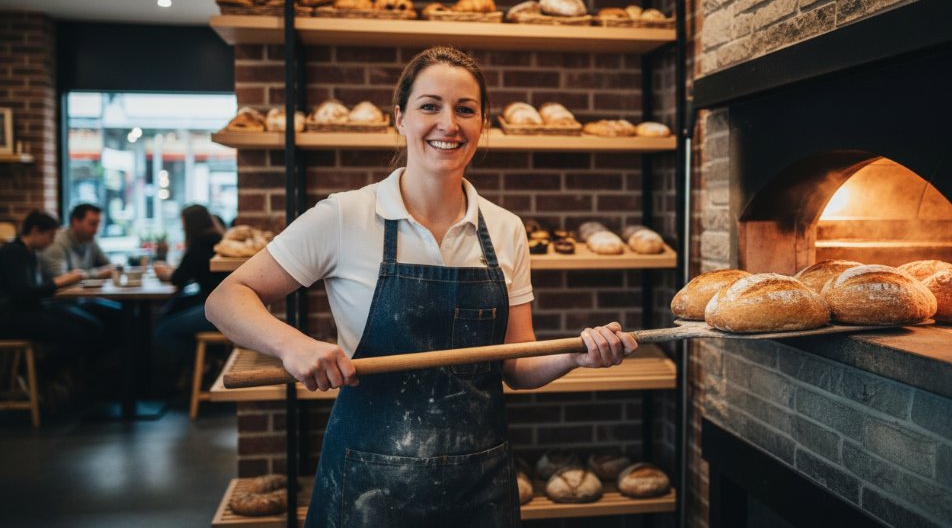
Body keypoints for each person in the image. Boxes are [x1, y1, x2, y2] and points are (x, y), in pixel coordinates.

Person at [206, 46, 638, 526]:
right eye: (430, 106)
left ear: (482, 123)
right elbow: (226, 298)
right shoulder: (346, 216)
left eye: (465, 109)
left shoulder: (505, 229)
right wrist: (292, 345)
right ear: (400, 118)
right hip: (369, 484)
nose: (448, 123)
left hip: (479, 484)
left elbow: (516, 363)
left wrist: (577, 354)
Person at [0, 210, 100, 384]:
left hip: (26, 313)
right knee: (76, 336)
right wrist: (60, 282)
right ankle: (35, 375)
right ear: (35, 231)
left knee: (90, 326)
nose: (53, 241)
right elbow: (23, 293)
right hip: (9, 319)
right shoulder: (13, 253)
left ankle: (48, 377)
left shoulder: (28, 253)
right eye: (50, 235)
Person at [152, 204, 227, 393]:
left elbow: (179, 278)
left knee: (163, 330)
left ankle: (204, 365)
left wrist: (164, 273)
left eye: (183, 223)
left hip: (217, 310)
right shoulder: (217, 239)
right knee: (172, 309)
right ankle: (207, 363)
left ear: (190, 224)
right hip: (222, 305)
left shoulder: (200, 243)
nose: (182, 228)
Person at [39, 203, 121, 344]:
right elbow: (61, 279)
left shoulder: (90, 241)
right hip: (57, 304)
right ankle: (91, 364)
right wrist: (97, 274)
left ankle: (107, 363)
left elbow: (109, 265)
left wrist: (116, 268)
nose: (96, 229)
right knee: (96, 327)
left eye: (98, 224)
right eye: (92, 224)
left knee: (122, 315)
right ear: (75, 222)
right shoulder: (57, 243)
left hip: (80, 301)